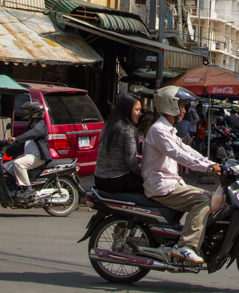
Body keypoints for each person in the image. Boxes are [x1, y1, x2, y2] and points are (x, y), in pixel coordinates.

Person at [142, 86, 221, 265]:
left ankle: (196, 239)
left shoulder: (167, 129)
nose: (185, 111)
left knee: (210, 197)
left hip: (171, 183)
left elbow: (187, 150)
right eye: (182, 106)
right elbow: (179, 156)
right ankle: (186, 246)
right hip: (162, 186)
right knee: (202, 200)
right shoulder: (158, 130)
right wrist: (208, 168)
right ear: (171, 105)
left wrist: (210, 163)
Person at [94, 93, 144, 193]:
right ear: (127, 110)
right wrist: (143, 173)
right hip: (115, 180)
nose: (140, 114)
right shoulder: (127, 129)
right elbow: (131, 163)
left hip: (98, 179)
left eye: (140, 110)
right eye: (137, 110)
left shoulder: (108, 125)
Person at [8, 101, 50, 199]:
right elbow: (22, 144)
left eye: (28, 110)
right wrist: (7, 148)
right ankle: (16, 189)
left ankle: (28, 189)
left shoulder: (40, 125)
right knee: (6, 167)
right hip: (29, 155)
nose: (26, 113)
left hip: (37, 156)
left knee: (18, 163)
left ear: (35, 112)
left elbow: (32, 134)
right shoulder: (31, 125)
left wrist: (17, 138)